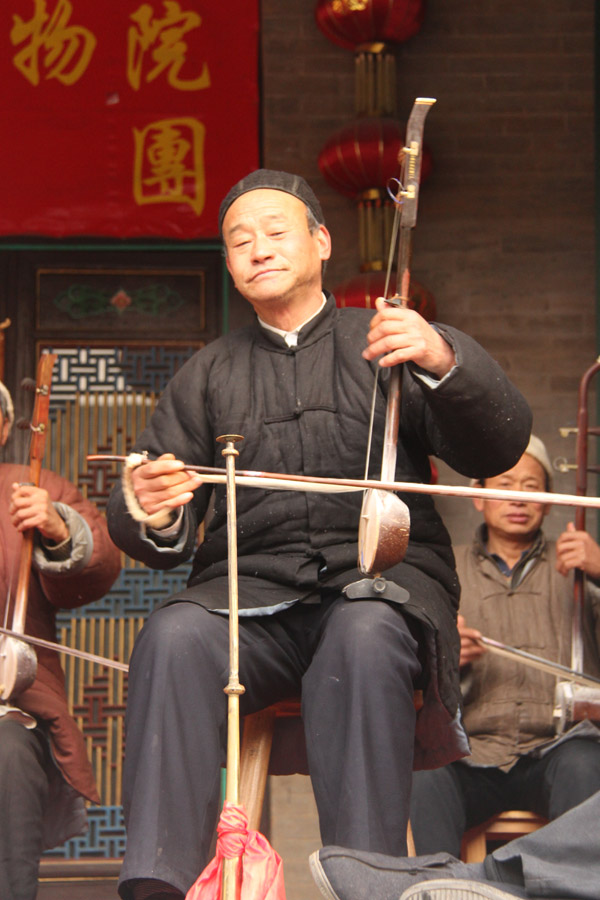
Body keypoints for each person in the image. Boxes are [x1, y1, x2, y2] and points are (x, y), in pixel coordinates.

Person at [106, 168, 532, 900]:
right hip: (250, 603)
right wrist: (149, 503)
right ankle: (159, 881)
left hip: (378, 588)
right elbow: (150, 514)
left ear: (322, 241)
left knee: (363, 634)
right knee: (175, 635)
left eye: (276, 232)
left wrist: (441, 356)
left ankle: (366, 877)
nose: (259, 249)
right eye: (241, 241)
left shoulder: (387, 339)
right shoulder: (207, 374)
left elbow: (498, 447)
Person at [409, 435, 600, 859]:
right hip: (471, 752)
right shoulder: (446, 570)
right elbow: (407, 665)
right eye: (505, 485)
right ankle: (436, 889)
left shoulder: (578, 565)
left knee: (586, 762)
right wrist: (442, 658)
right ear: (478, 496)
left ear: (549, 502)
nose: (518, 499)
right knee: (425, 775)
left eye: (532, 488)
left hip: (556, 750)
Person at [0, 378, 121, 900]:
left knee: (7, 752)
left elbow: (99, 569)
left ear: (4, 427)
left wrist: (58, 527)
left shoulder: (30, 486)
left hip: (9, 700)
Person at [309, 788, 600, 900]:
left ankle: (489, 879)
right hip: (478, 749)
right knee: (430, 777)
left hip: (562, 742)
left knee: (581, 762)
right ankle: (471, 882)